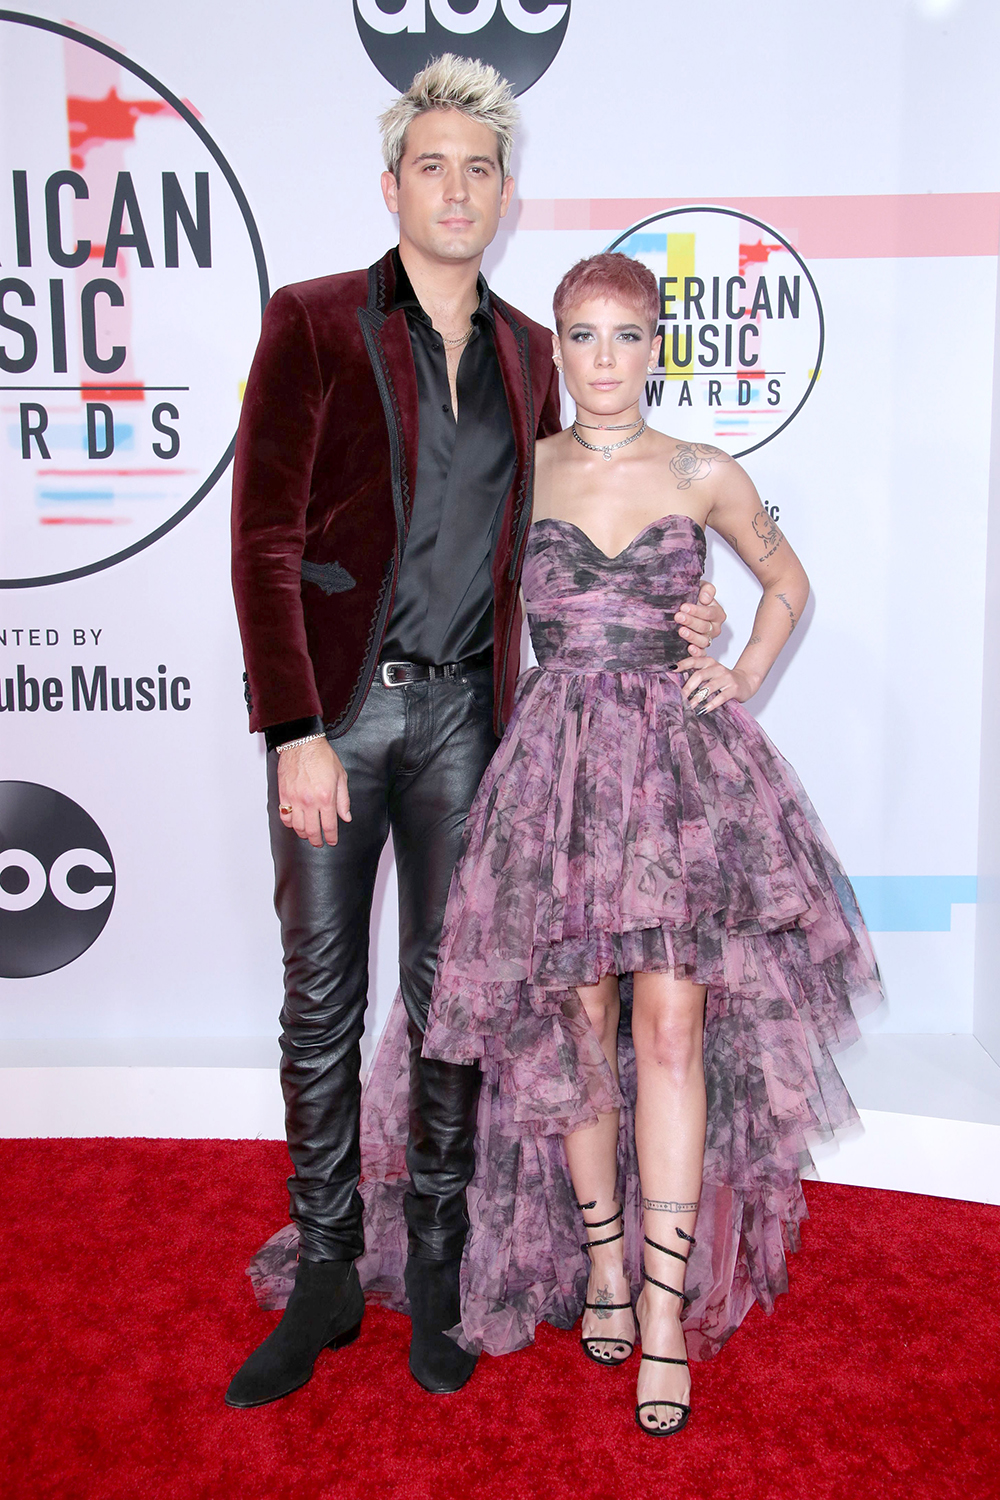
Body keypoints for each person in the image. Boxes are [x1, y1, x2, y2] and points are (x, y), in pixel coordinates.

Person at [228, 58, 727, 1407]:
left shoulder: (528, 352)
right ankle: (331, 1268)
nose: (456, 190)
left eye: (478, 169)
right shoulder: (314, 321)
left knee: (454, 1000)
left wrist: (697, 603)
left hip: (472, 725)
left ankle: (437, 1274)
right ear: (393, 187)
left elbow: (587, 529)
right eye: (430, 167)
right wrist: (293, 728)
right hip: (339, 717)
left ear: (506, 196)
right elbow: (264, 538)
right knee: (323, 1001)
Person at [357, 251, 883, 1435]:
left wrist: (736, 658)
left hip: (681, 777)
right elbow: (447, 597)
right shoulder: (518, 470)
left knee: (671, 1025)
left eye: (627, 337)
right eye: (583, 337)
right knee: (578, 1020)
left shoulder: (702, 470)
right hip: (558, 772)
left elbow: (788, 580)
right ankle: (599, 1258)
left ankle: (657, 1305)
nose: (605, 361)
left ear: (657, 347)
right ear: (559, 347)